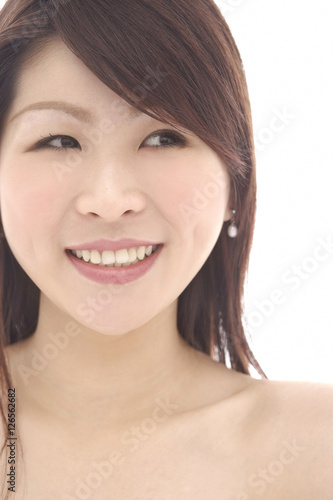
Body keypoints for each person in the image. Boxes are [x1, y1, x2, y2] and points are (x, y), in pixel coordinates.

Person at [0, 0, 332, 498]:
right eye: (59, 141)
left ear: (233, 186)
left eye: (162, 137)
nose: (110, 202)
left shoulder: (313, 447)